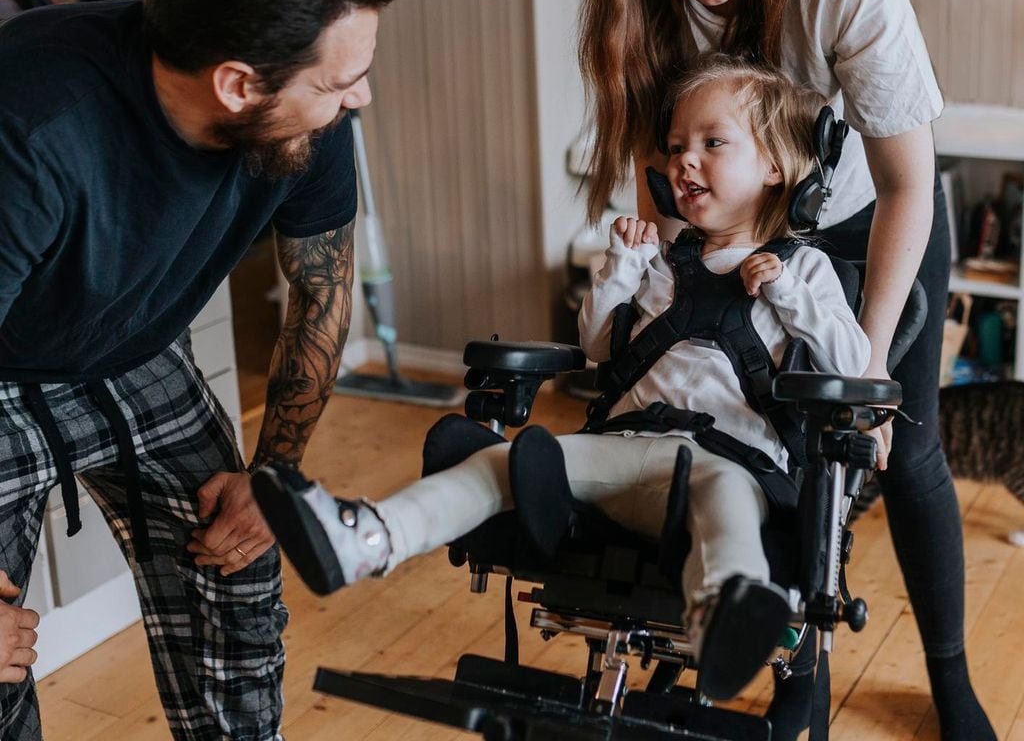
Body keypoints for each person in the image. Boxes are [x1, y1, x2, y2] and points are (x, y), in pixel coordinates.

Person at [577, 0, 992, 741]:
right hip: (732, 225)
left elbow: (905, 183)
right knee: (769, 445)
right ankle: (798, 664)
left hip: (865, 220)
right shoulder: (642, 2)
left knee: (896, 442)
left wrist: (868, 372)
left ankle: (950, 675)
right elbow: (660, 169)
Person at [251, 57, 871, 702]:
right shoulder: (661, 263)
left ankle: (724, 615)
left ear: (774, 167)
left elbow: (851, 365)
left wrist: (790, 295)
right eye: (677, 147)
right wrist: (621, 271)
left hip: (727, 463)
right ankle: (370, 537)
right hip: (623, 451)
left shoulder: (807, 273)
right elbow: (598, 346)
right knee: (509, 462)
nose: (685, 161)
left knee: (728, 505)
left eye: (712, 144)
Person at [0, 0, 403, 740]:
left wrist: (275, 475)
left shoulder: (313, 119)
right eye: (343, 81)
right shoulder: (32, 128)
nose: (359, 96)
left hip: (135, 348)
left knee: (239, 572)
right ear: (238, 85)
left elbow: (322, 290)